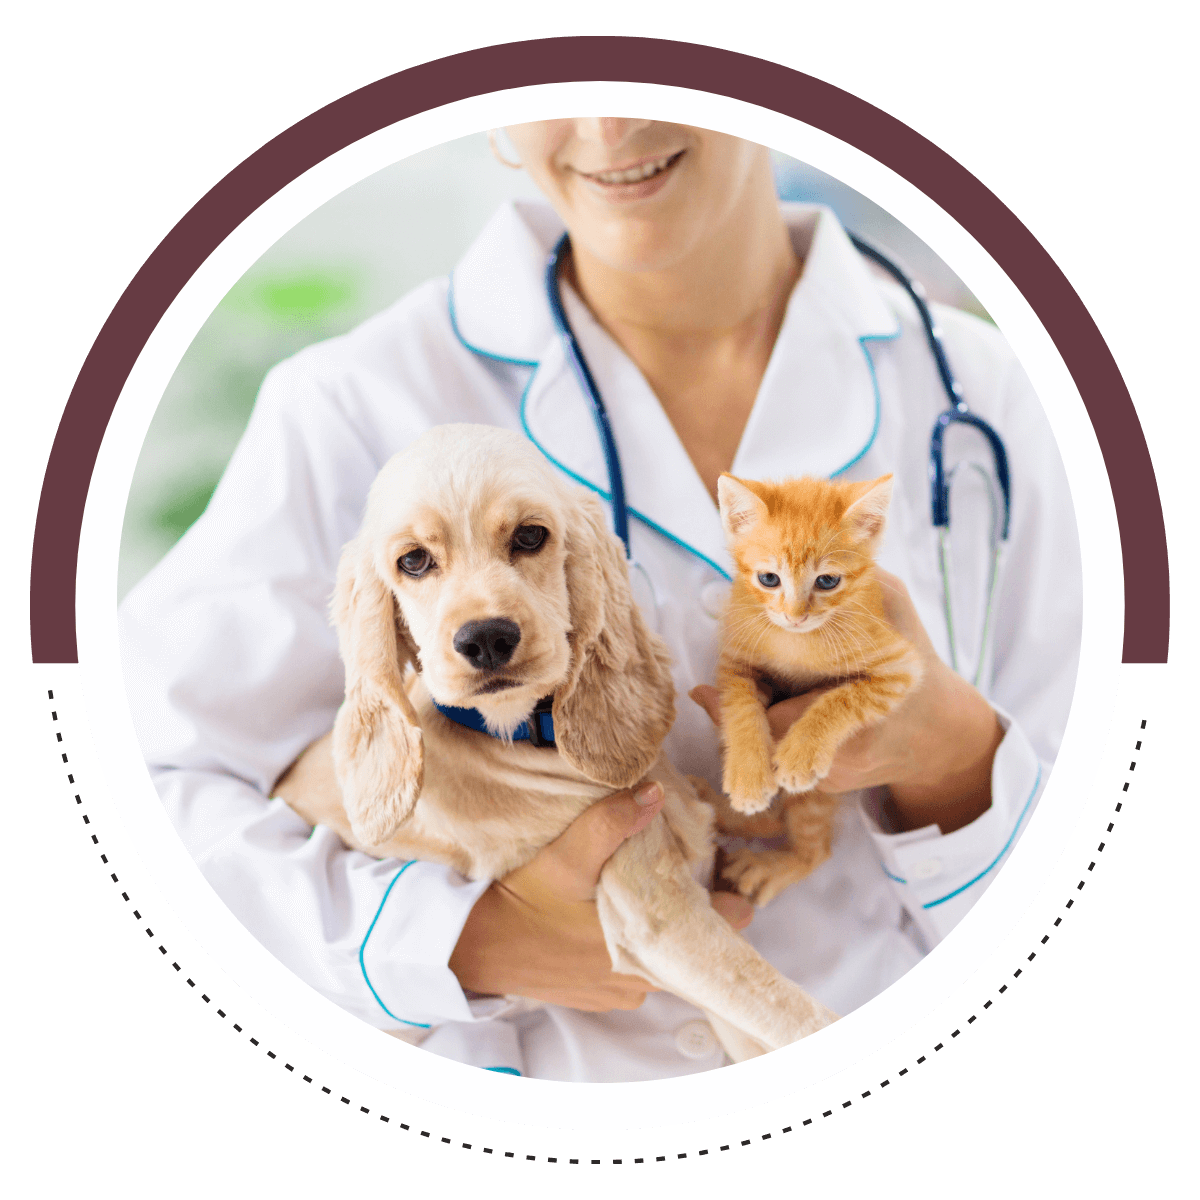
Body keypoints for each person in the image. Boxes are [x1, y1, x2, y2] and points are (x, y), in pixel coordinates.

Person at [118, 119, 1082, 1083]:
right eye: (556, 83)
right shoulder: (349, 401)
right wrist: (453, 942)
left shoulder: (1005, 396)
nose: (611, 127)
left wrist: (959, 758)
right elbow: (150, 788)